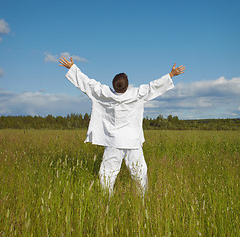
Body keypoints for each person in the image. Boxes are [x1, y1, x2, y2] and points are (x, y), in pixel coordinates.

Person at [59, 57, 185, 196]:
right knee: (139, 172)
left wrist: (72, 68)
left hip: (114, 141)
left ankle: (106, 199)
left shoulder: (104, 94)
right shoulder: (137, 94)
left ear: (113, 86)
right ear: (128, 85)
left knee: (108, 172)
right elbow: (153, 87)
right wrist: (171, 74)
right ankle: (142, 198)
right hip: (132, 141)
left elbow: (88, 84)